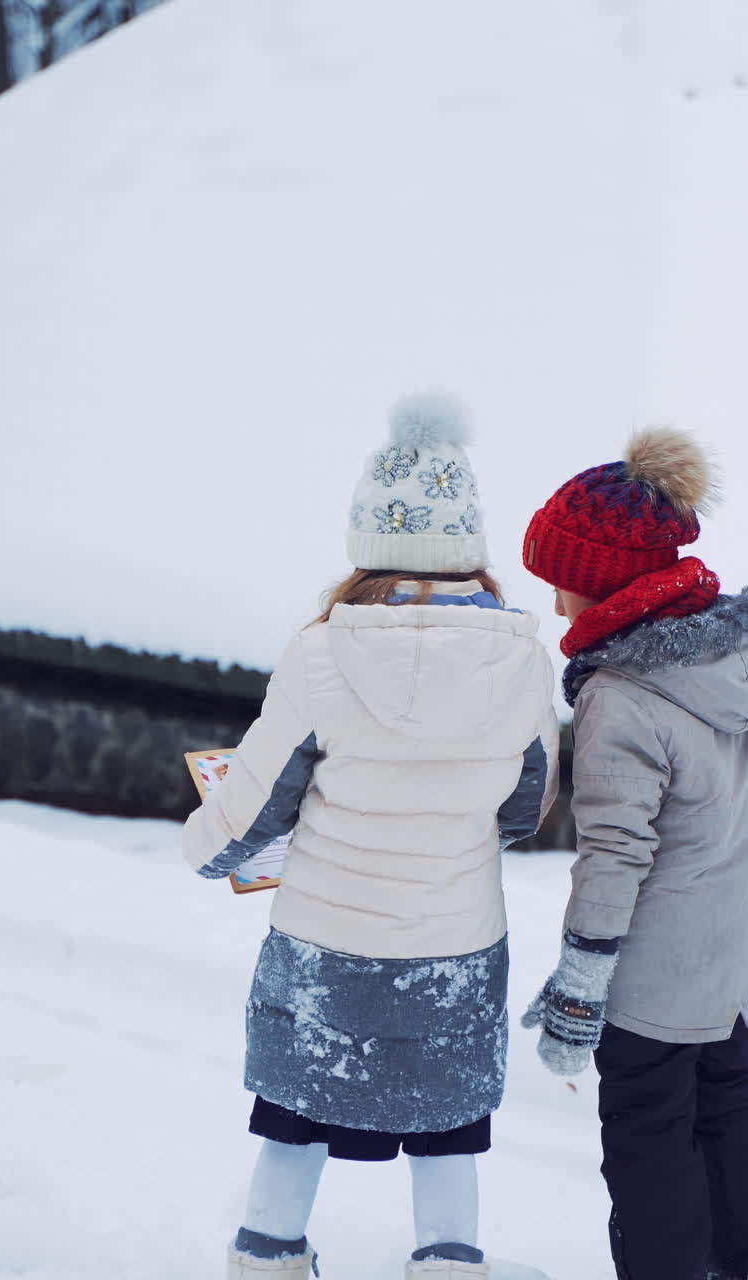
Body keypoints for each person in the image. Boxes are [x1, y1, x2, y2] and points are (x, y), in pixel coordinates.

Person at [184, 393, 559, 1280]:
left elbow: (258, 801)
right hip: (455, 947)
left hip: (325, 944)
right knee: (447, 1126)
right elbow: (527, 801)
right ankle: (449, 1263)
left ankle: (269, 1255)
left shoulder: (319, 652)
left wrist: (205, 848)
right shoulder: (523, 660)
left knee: (295, 1110)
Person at [519, 428, 748, 1280]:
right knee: (729, 1109)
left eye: (563, 580)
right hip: (737, 954)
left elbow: (613, 855)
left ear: (602, 581)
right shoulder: (743, 651)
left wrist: (579, 986)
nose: (557, 605)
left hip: (656, 978)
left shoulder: (622, 698)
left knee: (648, 1143)